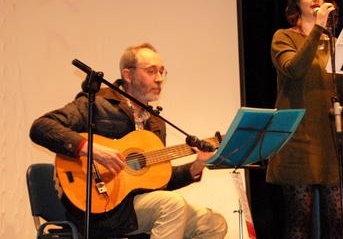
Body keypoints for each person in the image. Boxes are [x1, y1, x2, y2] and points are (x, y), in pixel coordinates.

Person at [30, 43, 228, 239]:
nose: (159, 79)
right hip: (101, 210)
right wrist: (92, 150)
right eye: (151, 71)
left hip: (137, 206)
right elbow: (41, 127)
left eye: (162, 72)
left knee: (213, 224)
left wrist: (197, 166)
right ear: (127, 74)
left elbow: (158, 181)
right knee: (172, 205)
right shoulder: (97, 104)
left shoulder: (156, 122)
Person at [265, 0, 343, 239]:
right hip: (298, 140)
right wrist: (318, 29)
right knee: (299, 223)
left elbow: (340, 97)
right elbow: (295, 69)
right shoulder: (284, 38)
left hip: (331, 142)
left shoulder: (336, 44)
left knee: (339, 222)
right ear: (297, 3)